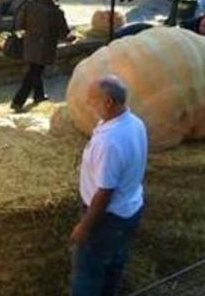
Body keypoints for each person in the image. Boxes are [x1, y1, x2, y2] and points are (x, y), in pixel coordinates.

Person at [71, 76, 147, 296]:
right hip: (130, 209)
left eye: (92, 100)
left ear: (109, 102)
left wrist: (84, 227)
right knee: (115, 262)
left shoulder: (110, 141)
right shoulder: (134, 122)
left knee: (88, 273)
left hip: (107, 219)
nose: (88, 105)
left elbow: (105, 192)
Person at [11, 0, 73, 112]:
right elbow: (64, 32)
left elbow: (20, 23)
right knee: (34, 72)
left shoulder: (30, 4)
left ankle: (39, 95)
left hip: (30, 44)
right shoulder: (56, 11)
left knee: (35, 70)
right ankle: (18, 101)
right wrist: (71, 37)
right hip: (45, 47)